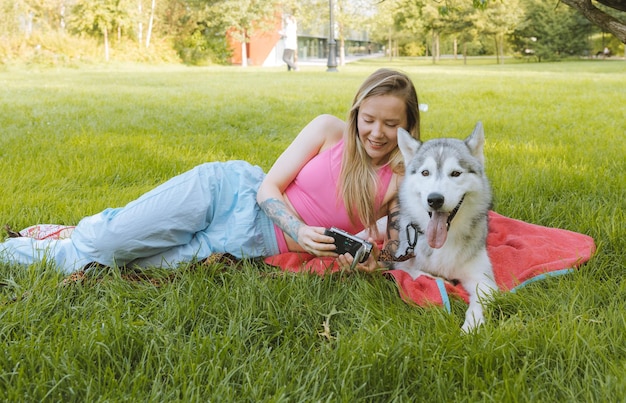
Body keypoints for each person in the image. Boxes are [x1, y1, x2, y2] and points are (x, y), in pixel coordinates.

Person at [0, 68, 420, 274]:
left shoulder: (401, 183)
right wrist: (298, 230)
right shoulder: (330, 130)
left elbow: (398, 251)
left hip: (245, 242)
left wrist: (372, 263)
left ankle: (54, 243)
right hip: (226, 193)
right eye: (369, 118)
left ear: (408, 126)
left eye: (391, 124)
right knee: (109, 241)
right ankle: (78, 234)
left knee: (113, 264)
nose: (377, 133)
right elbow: (270, 186)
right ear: (356, 112)